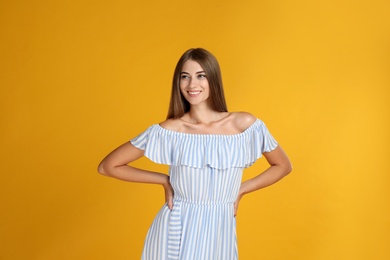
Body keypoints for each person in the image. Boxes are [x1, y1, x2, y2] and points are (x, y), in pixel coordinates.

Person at [98, 48, 292, 260]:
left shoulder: (244, 125)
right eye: (185, 77)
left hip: (220, 231)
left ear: (213, 80)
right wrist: (164, 180)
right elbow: (108, 166)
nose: (192, 85)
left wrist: (242, 189)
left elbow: (282, 165)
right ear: (178, 83)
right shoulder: (171, 130)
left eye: (201, 76)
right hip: (176, 229)